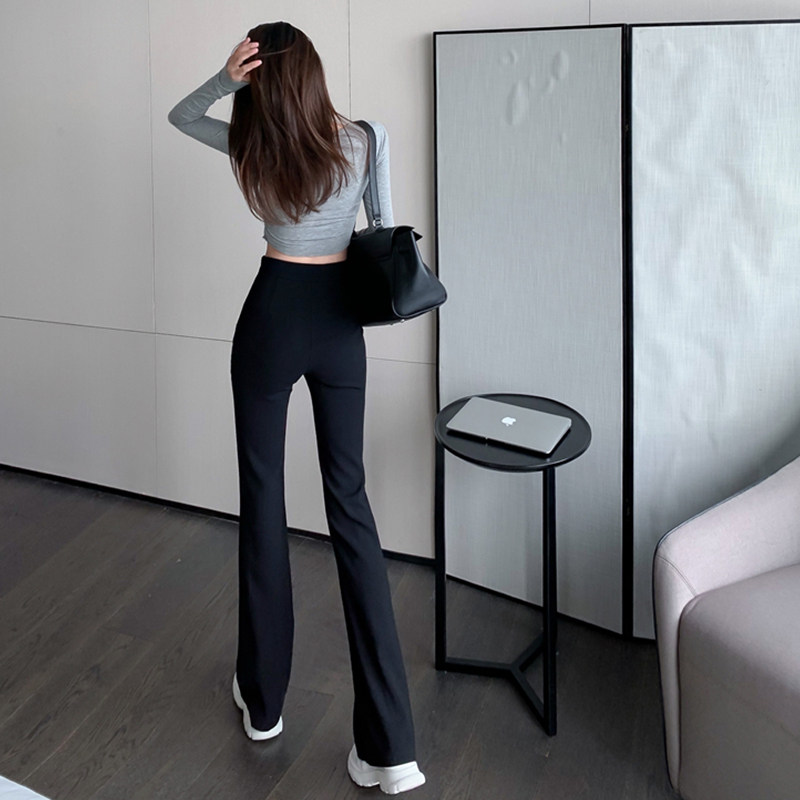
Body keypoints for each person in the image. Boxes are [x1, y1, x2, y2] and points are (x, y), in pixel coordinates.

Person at [168, 21, 426, 796]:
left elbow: (181, 116)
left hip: (273, 315)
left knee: (264, 502)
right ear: (313, 72)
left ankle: (265, 704)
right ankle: (391, 750)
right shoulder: (367, 138)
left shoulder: (252, 141)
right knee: (352, 506)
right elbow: (384, 230)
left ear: (261, 79)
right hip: (340, 325)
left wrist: (225, 81)